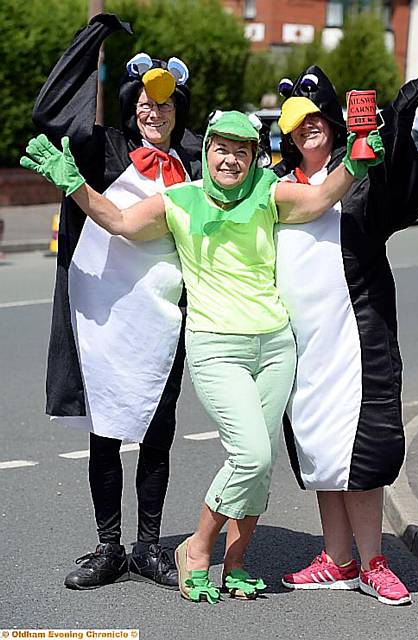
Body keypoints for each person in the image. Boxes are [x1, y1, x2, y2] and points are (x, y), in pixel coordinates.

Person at [21, 109, 384, 603]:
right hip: (217, 347)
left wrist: (357, 163)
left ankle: (235, 563)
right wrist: (74, 183)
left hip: (276, 346)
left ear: (255, 156)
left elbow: (321, 196)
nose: (230, 159)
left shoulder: (268, 193)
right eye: (221, 148)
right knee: (250, 454)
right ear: (207, 150)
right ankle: (197, 547)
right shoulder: (179, 200)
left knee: (262, 463)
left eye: (242, 150)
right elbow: (121, 222)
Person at [31, 13, 201, 590]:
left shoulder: (195, 164)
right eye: (148, 107)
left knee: (158, 437)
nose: (157, 115)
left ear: (180, 114)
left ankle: (149, 547)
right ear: (134, 109)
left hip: (165, 318)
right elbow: (51, 112)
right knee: (104, 435)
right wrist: (94, 35)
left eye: (169, 106)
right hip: (103, 320)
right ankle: (108, 547)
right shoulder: (103, 149)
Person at [272, 67, 418, 606]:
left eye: (318, 117)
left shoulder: (362, 172)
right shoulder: (275, 183)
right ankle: (338, 560)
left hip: (356, 338)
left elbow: (406, 198)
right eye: (299, 123)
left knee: (360, 449)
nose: (309, 128)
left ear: (333, 121)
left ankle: (374, 561)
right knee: (319, 449)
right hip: (301, 345)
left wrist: (398, 135)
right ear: (288, 133)